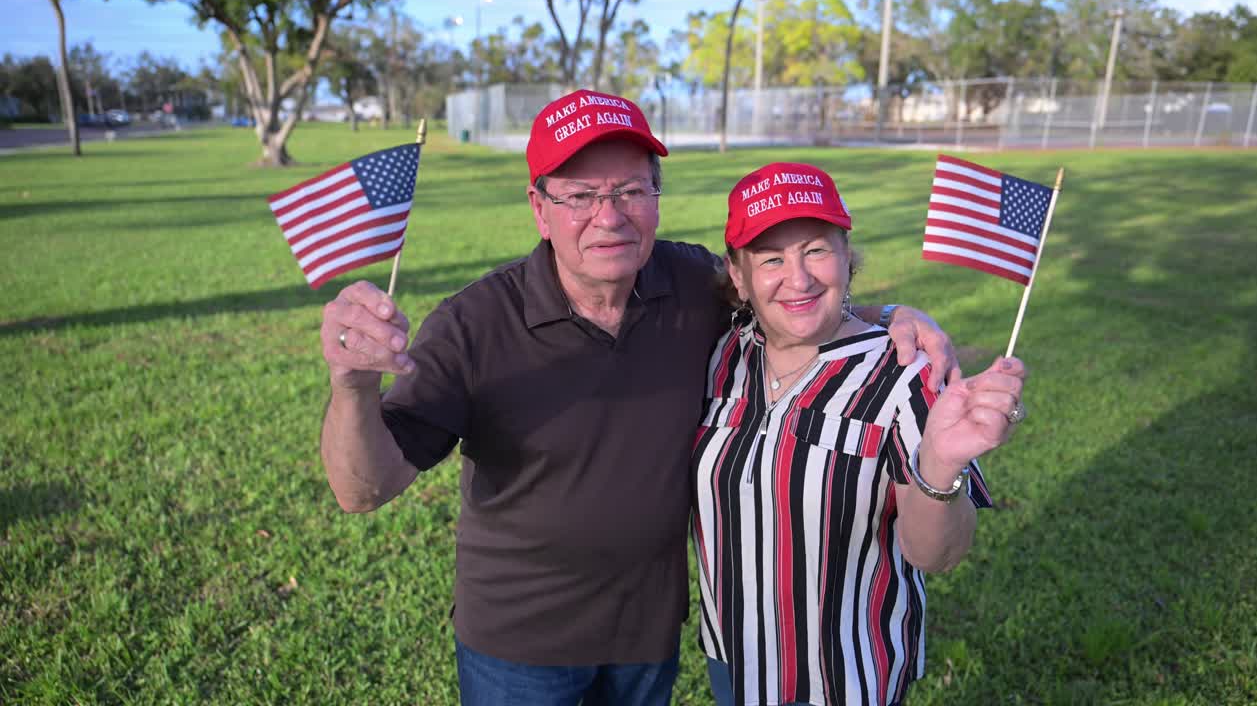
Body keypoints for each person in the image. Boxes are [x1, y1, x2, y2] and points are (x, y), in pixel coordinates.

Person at [318, 89, 960, 706]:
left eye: (630, 190)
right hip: (519, 644)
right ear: (539, 209)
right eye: (580, 196)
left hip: (645, 637)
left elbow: (788, 296)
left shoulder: (689, 280)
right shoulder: (472, 325)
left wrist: (889, 313)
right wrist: (352, 386)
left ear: (656, 197)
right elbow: (361, 490)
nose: (610, 215)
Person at [693, 162, 1027, 706]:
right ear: (738, 275)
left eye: (816, 250)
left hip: (842, 673)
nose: (798, 278)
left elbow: (936, 555)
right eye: (772, 258)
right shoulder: (725, 352)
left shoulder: (903, 371)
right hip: (732, 659)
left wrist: (939, 466)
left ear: (847, 256)